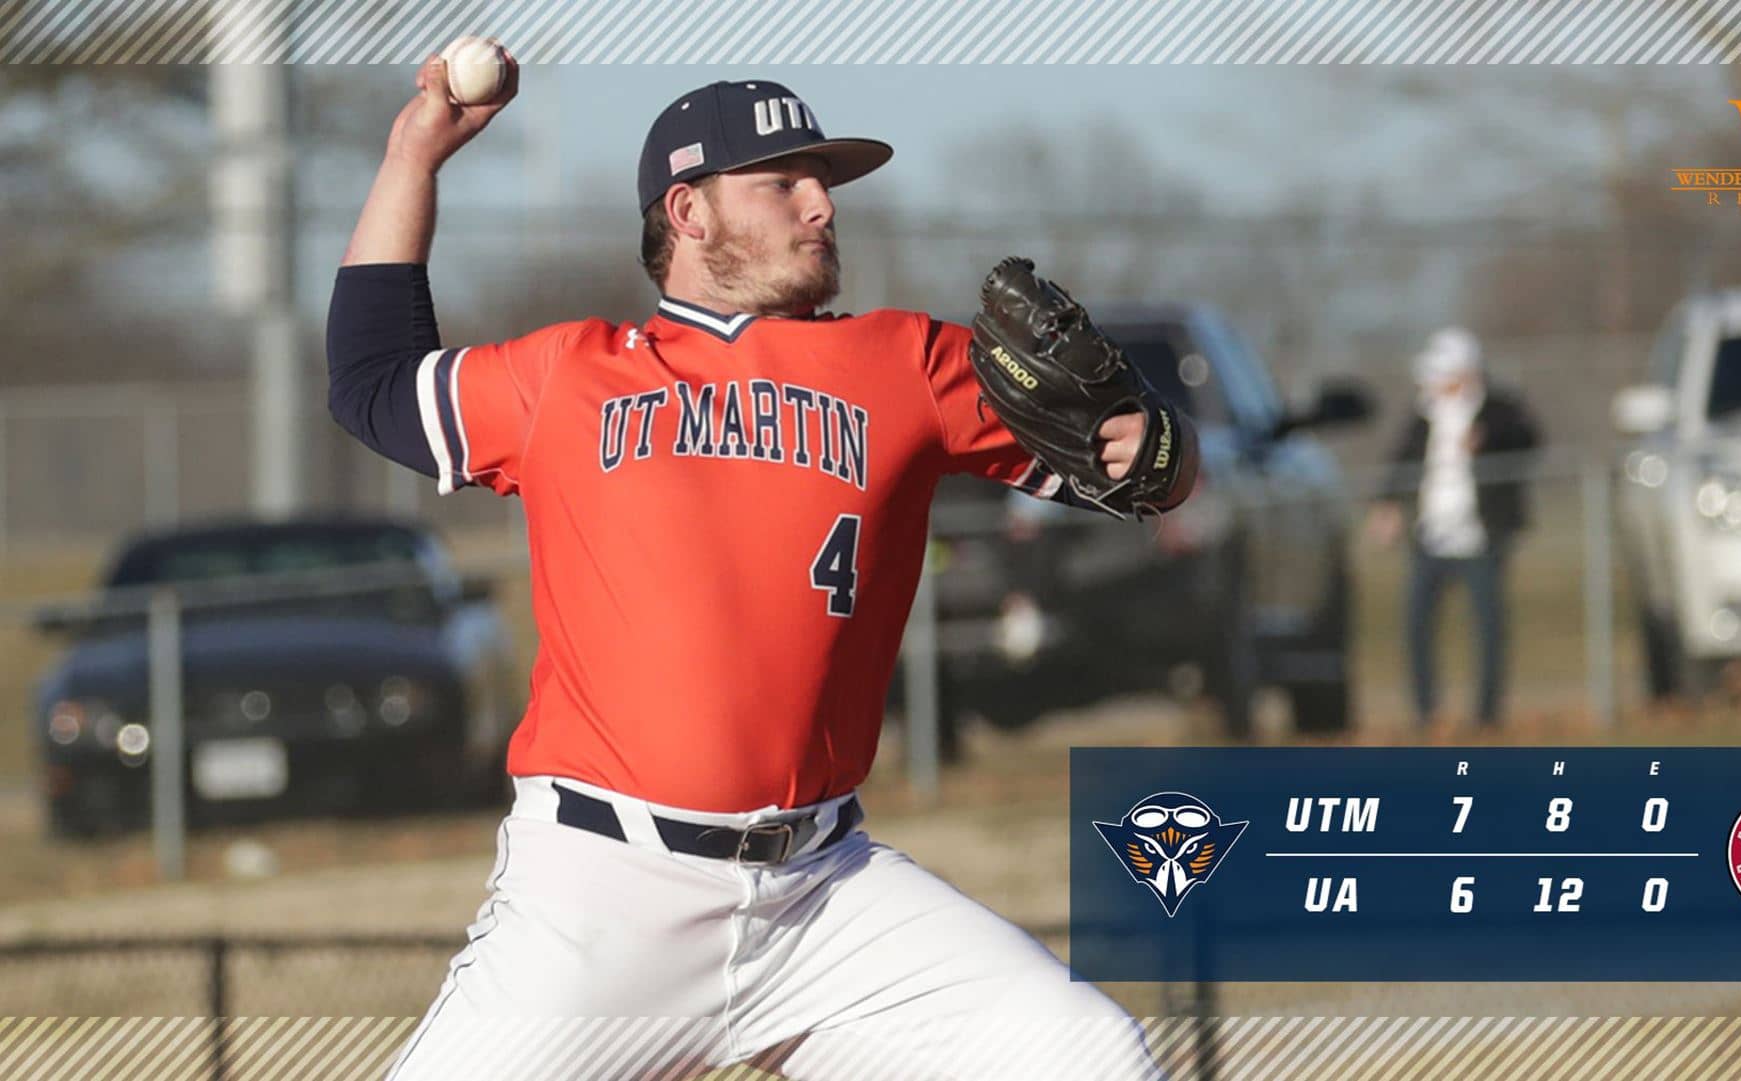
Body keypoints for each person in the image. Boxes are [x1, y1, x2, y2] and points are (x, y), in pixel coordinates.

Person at [325, 56, 1194, 1081]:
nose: (821, 204)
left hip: (823, 896)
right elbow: (372, 382)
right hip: (605, 896)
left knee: (1082, 1053)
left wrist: (1152, 439)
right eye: (781, 181)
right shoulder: (570, 375)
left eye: (820, 180)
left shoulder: (906, 362)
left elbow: (1143, 476)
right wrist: (412, 157)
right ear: (687, 211)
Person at [1366, 327, 1540, 730]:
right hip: (1431, 537)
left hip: (1482, 537)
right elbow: (1400, 461)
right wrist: (1387, 503)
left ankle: (1486, 716)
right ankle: (1426, 714)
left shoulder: (1498, 409)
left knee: (1488, 626)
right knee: (1416, 625)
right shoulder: (1423, 415)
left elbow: (1530, 439)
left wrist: (1488, 439)